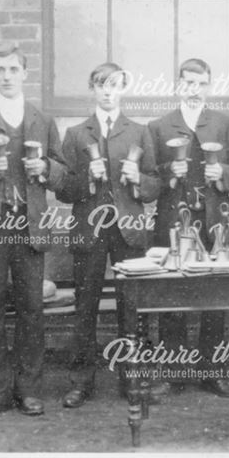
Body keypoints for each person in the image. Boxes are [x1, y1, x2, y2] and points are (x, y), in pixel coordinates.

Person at [0, 46, 67, 419]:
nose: (6, 75)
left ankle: (29, 389)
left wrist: (46, 167)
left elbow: (63, 175)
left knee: (31, 309)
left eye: (13, 69)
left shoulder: (41, 120)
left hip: (29, 224)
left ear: (25, 73)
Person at [57, 63, 161, 408]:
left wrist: (137, 180)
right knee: (84, 306)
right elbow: (63, 190)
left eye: (114, 85)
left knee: (130, 306)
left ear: (124, 88)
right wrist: (87, 176)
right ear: (92, 88)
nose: (107, 91)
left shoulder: (139, 132)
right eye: (101, 84)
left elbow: (154, 187)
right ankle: (81, 381)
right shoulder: (75, 133)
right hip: (89, 228)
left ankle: (131, 377)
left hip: (128, 230)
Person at [148, 58, 229, 398]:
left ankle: (212, 372)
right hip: (174, 218)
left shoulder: (222, 123)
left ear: (209, 86)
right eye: (187, 83)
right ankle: (173, 373)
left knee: (214, 297)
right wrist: (168, 171)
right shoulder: (160, 126)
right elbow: (149, 178)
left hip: (214, 220)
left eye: (200, 83)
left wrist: (225, 175)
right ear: (178, 85)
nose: (194, 89)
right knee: (172, 296)